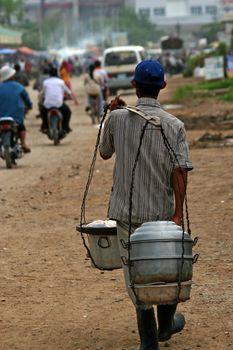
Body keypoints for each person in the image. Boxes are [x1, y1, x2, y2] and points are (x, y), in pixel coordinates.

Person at [99, 60, 193, 350]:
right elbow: (180, 172)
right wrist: (178, 213)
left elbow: (104, 153)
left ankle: (149, 341)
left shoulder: (117, 119)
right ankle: (165, 325)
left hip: (127, 214)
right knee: (166, 266)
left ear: (134, 85)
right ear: (163, 86)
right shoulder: (174, 125)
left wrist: (111, 113)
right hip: (162, 214)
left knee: (135, 272)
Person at [0, 65, 32, 153]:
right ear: (11, 76)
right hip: (15, 117)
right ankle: (23, 144)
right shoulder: (19, 86)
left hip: (0, 117)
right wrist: (29, 106)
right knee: (21, 127)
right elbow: (27, 99)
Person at [40, 67, 73, 133]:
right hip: (59, 104)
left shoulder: (45, 82)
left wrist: (41, 98)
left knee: (43, 112)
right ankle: (65, 127)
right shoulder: (61, 82)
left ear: (49, 74)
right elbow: (68, 92)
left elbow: (42, 93)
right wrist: (69, 96)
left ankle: (45, 127)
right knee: (68, 112)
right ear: (57, 74)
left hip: (48, 104)